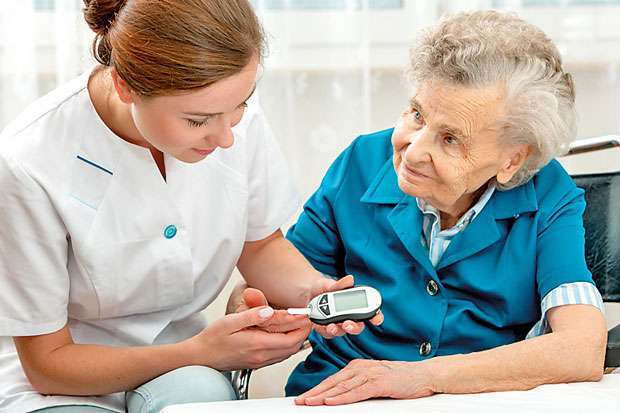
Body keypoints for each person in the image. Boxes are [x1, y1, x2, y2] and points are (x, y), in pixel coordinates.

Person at [0, 1, 381, 412]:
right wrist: (202, 351)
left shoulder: (225, 110)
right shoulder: (29, 162)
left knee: (200, 399)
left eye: (241, 104)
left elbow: (259, 245)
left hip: (184, 370)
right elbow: (48, 365)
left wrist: (313, 291)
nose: (226, 138)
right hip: (63, 380)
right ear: (125, 86)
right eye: (198, 121)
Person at [285, 10, 607, 406]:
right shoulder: (361, 162)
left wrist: (421, 377)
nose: (413, 153)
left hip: (470, 401)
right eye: (417, 115)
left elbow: (581, 348)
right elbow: (280, 286)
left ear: (511, 160)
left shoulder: (549, 195)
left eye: (451, 139)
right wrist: (255, 308)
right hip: (337, 395)